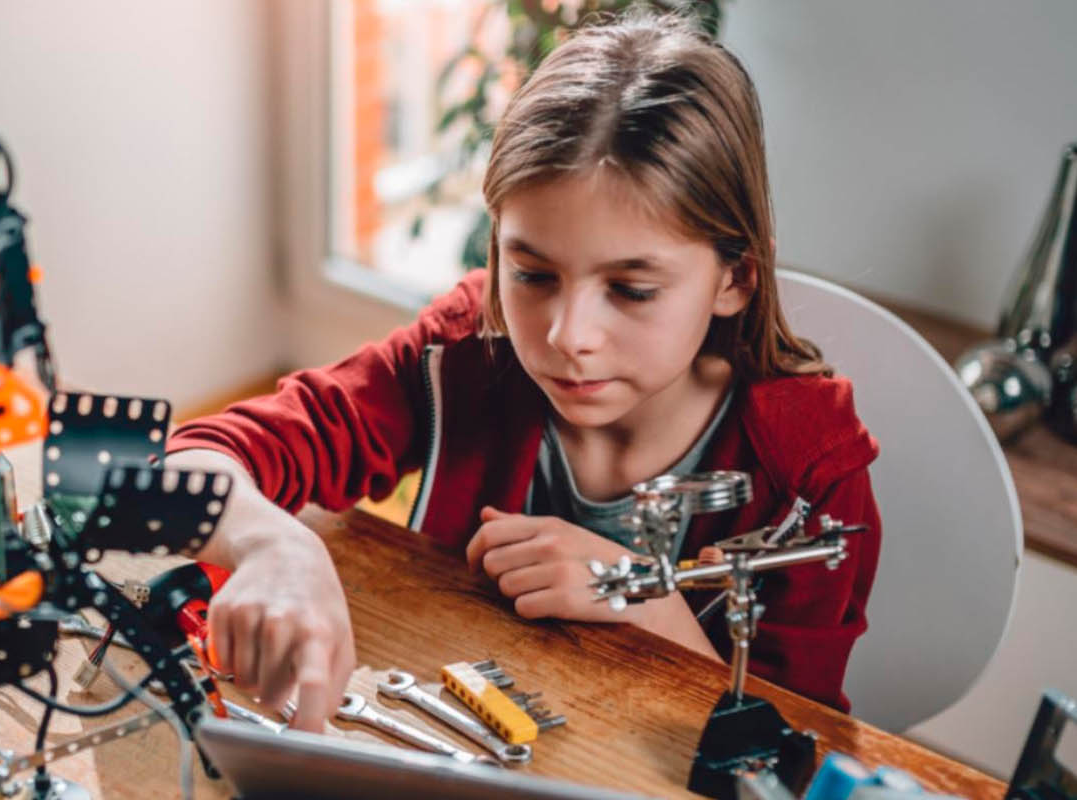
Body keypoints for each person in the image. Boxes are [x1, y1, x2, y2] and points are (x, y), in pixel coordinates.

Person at [167, 10, 880, 733]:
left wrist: (650, 603)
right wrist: (273, 542)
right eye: (532, 274)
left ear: (736, 278)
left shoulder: (810, 474)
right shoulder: (465, 352)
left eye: (631, 289)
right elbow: (185, 462)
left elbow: (805, 750)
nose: (568, 336)